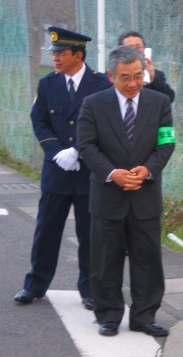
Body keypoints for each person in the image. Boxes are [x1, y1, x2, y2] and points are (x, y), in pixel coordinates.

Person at [77, 45, 175, 337]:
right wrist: (112, 173)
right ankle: (108, 315)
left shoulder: (159, 103)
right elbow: (87, 146)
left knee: (148, 260)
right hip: (108, 196)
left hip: (145, 196)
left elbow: (166, 143)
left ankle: (144, 316)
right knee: (106, 258)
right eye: (125, 78)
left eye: (137, 76)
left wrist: (148, 170)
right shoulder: (93, 104)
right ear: (111, 76)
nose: (132, 84)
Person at [14, 27, 111, 311]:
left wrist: (78, 149)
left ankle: (90, 288)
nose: (55, 58)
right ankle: (35, 284)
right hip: (56, 170)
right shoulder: (48, 84)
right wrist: (57, 152)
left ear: (77, 55)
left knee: (89, 233)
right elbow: (39, 120)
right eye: (53, 53)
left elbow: (103, 124)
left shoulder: (100, 84)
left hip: (88, 172)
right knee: (46, 230)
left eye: (60, 53)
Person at [118, 30, 175, 103]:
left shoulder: (156, 75)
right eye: (130, 47)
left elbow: (169, 98)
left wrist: (153, 77)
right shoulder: (113, 75)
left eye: (138, 47)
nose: (135, 51)